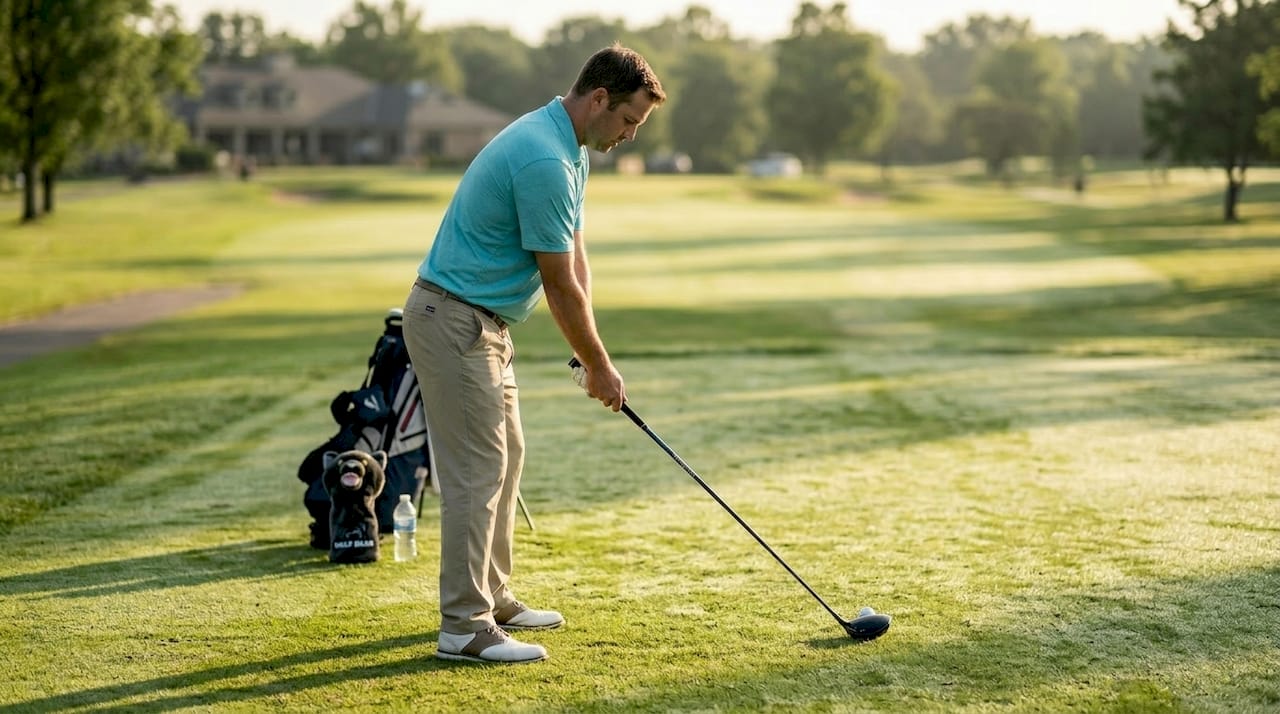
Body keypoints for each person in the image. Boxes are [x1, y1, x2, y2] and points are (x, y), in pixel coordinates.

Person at [401, 44, 666, 664]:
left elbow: (575, 258)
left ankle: (492, 597)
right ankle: (464, 626)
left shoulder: (572, 150)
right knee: (477, 472)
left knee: (507, 456)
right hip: (455, 321)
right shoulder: (545, 157)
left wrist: (593, 353)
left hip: (484, 325)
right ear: (598, 99)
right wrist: (598, 365)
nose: (631, 135)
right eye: (629, 120)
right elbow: (557, 284)